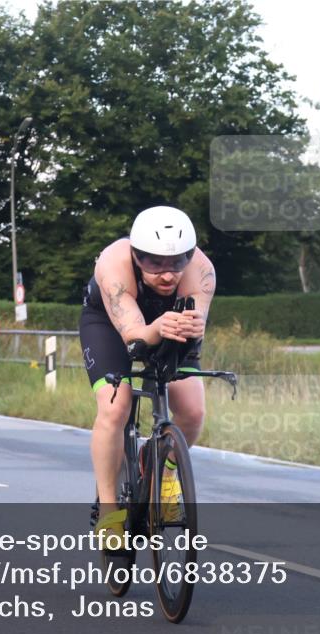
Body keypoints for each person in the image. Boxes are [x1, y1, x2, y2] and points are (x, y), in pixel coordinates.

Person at [79, 206, 215, 546]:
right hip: (110, 324)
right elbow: (134, 337)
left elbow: (195, 327)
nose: (168, 275)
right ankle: (109, 513)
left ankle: (165, 472)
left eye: (177, 263)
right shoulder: (113, 265)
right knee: (115, 405)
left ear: (189, 255)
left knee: (193, 410)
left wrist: (188, 326)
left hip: (167, 324)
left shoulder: (202, 270)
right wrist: (156, 328)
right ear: (136, 255)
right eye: (154, 263)